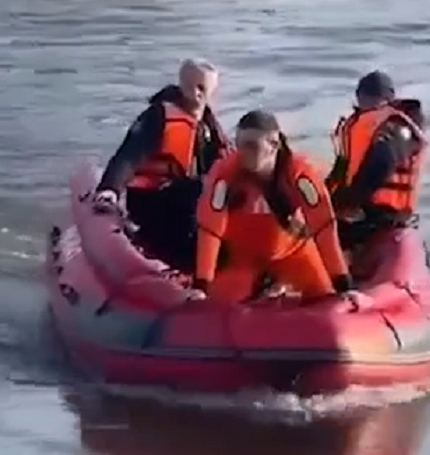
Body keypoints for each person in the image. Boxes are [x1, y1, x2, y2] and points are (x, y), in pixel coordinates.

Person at [191, 110, 366, 306]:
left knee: (326, 298)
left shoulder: (299, 175)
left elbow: (323, 227)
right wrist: (201, 285)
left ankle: (277, 284)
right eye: (239, 145)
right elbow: (210, 230)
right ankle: (263, 285)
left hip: (292, 252)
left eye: (251, 146)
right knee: (218, 305)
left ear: (273, 145)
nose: (243, 153)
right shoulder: (225, 175)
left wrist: (344, 285)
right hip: (243, 258)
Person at [92, 59, 231, 273]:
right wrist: (109, 189)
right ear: (182, 84)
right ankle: (185, 268)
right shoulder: (157, 117)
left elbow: (227, 164)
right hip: (152, 202)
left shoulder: (209, 126)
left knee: (218, 194)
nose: (198, 94)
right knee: (197, 191)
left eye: (204, 88)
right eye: (194, 86)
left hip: (190, 204)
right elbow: (128, 156)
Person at [324, 70, 429, 257]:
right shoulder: (362, 126)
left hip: (384, 215)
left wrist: (351, 202)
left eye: (367, 97)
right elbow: (342, 168)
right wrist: (326, 199)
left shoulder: (396, 126)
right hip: (363, 209)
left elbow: (383, 163)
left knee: (322, 238)